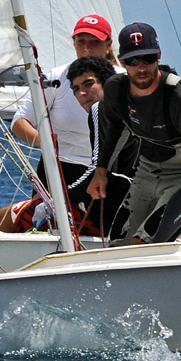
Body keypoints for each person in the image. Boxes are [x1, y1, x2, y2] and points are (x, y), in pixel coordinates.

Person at [87, 22, 181, 248]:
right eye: (133, 61)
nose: (141, 67)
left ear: (159, 56)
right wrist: (101, 171)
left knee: (141, 244)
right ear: (122, 62)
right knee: (117, 245)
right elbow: (115, 127)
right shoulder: (115, 89)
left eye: (148, 58)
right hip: (147, 171)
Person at [0, 15, 119, 232]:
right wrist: (43, 141)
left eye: (95, 42)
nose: (87, 48)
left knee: (94, 230)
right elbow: (20, 121)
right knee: (9, 219)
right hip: (58, 168)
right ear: (74, 43)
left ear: (108, 44)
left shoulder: (121, 82)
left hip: (105, 172)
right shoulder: (56, 78)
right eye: (81, 41)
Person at [66, 56, 137, 233]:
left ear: (107, 84)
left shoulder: (100, 108)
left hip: (112, 219)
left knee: (8, 215)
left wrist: (62, 197)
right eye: (76, 89)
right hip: (139, 209)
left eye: (88, 84)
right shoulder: (131, 109)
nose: (82, 93)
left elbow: (101, 169)